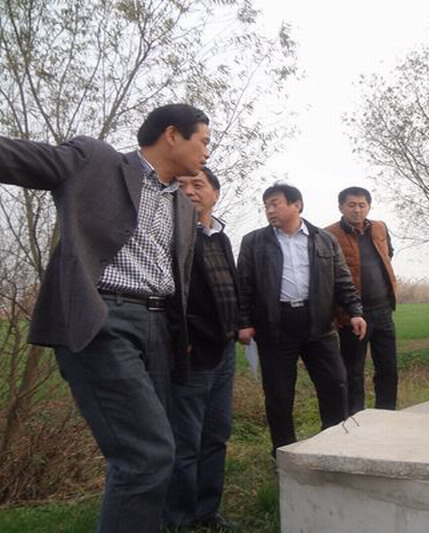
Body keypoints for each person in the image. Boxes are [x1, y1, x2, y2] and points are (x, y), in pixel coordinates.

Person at [0, 104, 210, 533]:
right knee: (146, 455)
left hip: (157, 328)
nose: (208, 151)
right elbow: (19, 158)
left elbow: (180, 278)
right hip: (104, 320)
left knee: (153, 454)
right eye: (203, 141)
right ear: (173, 134)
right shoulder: (97, 162)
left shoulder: (184, 207)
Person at [237, 184, 367, 457]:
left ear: (296, 205)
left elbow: (342, 280)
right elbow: (244, 286)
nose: (269, 210)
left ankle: (333, 448)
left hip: (319, 325)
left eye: (275, 203)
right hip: (275, 326)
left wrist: (355, 311)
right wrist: (244, 322)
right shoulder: (254, 242)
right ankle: (283, 452)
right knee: (279, 394)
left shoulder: (323, 239)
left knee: (335, 386)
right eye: (266, 205)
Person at [163, 168, 239, 532]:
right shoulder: (170, 236)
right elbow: (167, 294)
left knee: (216, 435)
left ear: (215, 194)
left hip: (224, 351)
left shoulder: (220, 238)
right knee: (185, 441)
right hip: (192, 354)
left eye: (198, 185)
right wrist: (179, 337)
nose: (190, 191)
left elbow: (230, 289)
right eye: (181, 186)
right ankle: (178, 519)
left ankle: (207, 511)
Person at [325, 187, 399, 414]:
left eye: (362, 205)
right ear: (341, 207)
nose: (357, 210)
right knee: (353, 371)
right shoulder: (328, 235)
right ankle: (356, 418)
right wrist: (337, 314)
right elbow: (326, 277)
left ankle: (386, 414)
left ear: (369, 207)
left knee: (388, 368)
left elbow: (388, 255)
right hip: (353, 315)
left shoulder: (379, 228)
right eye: (351, 205)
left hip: (383, 310)